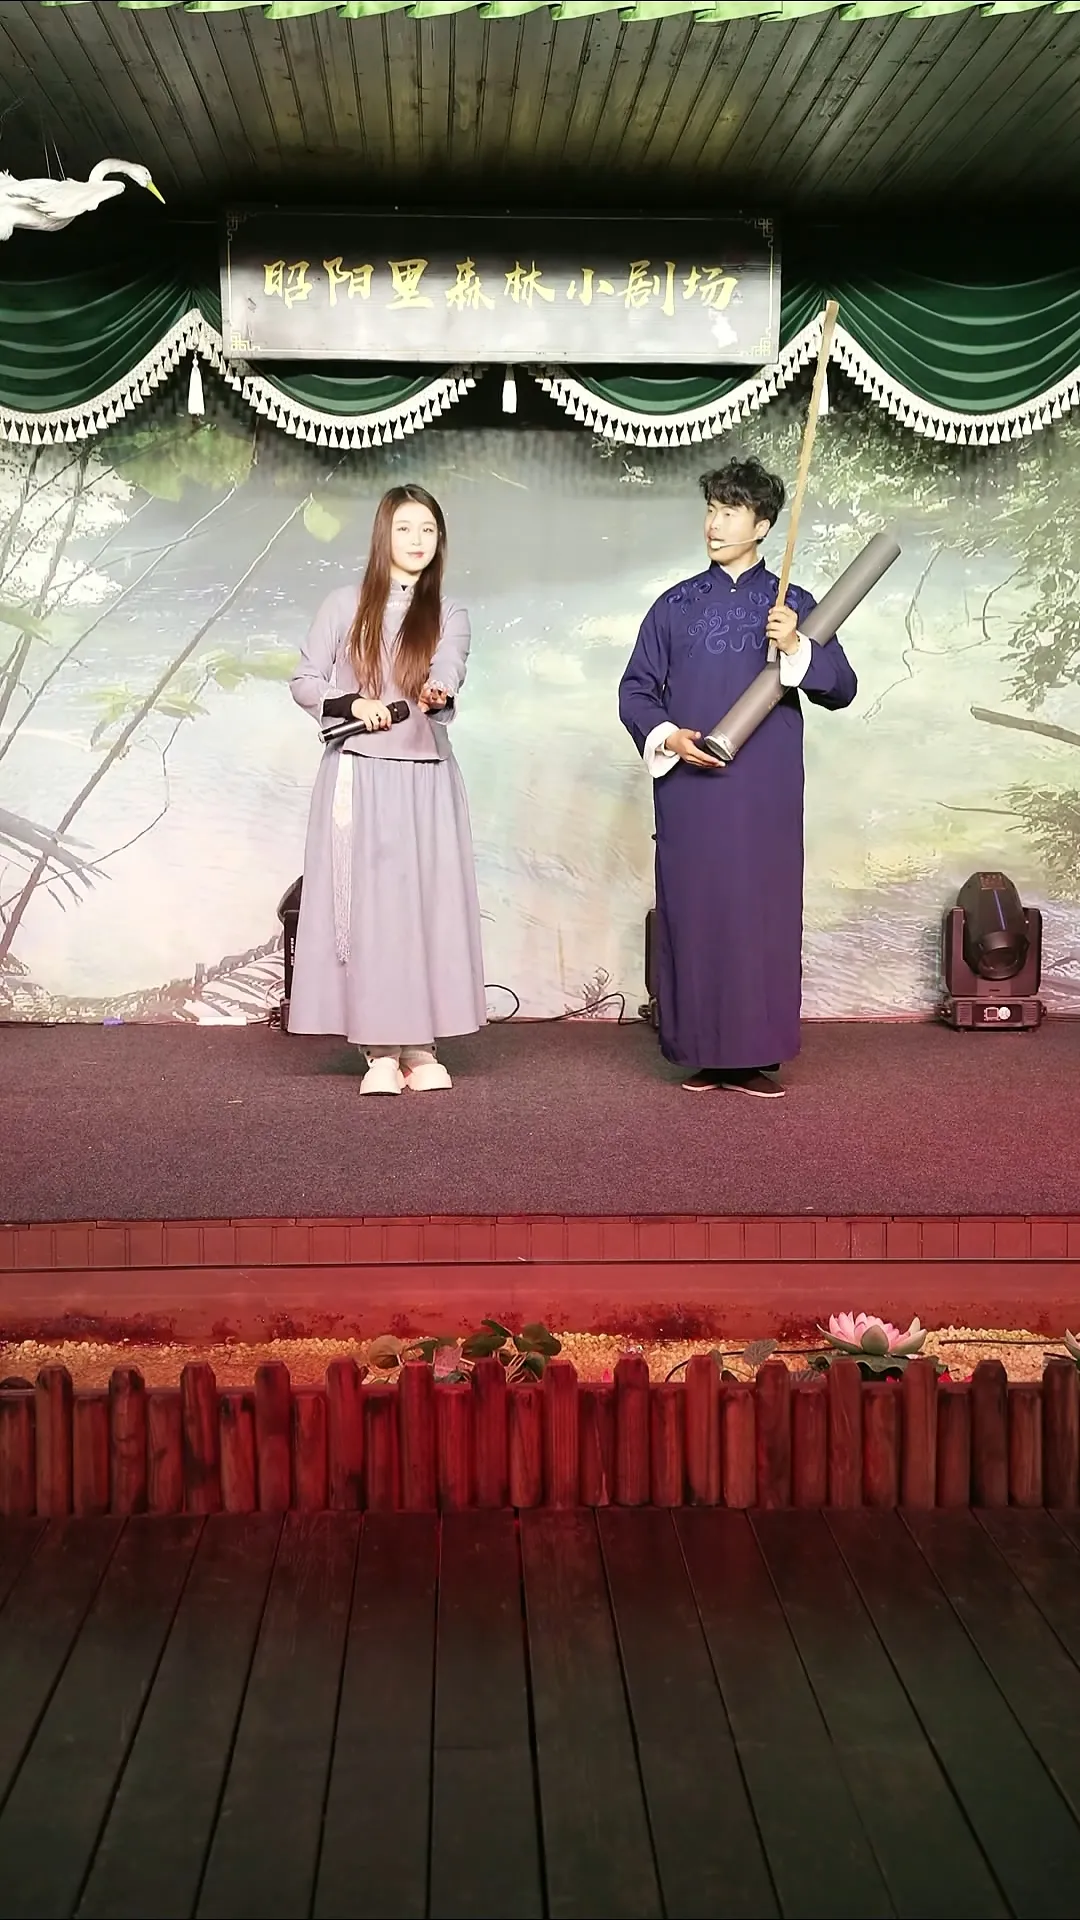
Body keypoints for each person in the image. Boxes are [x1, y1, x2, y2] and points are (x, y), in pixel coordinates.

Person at [618, 457, 857, 1098]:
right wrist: (668, 735)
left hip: (763, 791)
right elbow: (636, 690)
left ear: (763, 524)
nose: (714, 524)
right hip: (689, 789)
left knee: (759, 915)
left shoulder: (794, 604)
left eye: (730, 512)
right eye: (711, 509)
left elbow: (843, 688)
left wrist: (799, 648)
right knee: (694, 914)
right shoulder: (674, 605)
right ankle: (699, 1049)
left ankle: (755, 1054)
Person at [288, 484, 486, 1093]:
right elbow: (304, 680)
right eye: (405, 528)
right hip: (359, 773)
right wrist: (353, 703)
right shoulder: (343, 604)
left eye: (428, 529)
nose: (417, 540)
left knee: (426, 905)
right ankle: (378, 1049)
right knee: (369, 911)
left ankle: (422, 1046)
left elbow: (449, 667)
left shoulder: (450, 613)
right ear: (384, 535)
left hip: (426, 778)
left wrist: (437, 691)